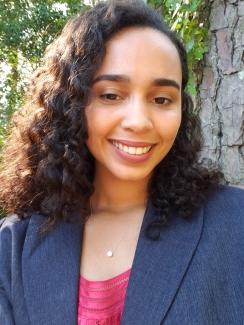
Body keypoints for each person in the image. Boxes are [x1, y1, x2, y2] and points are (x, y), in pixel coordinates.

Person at [0, 0, 243, 324]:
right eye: (111, 95)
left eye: (161, 99)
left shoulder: (234, 224)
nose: (139, 121)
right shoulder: (13, 246)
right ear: (71, 104)